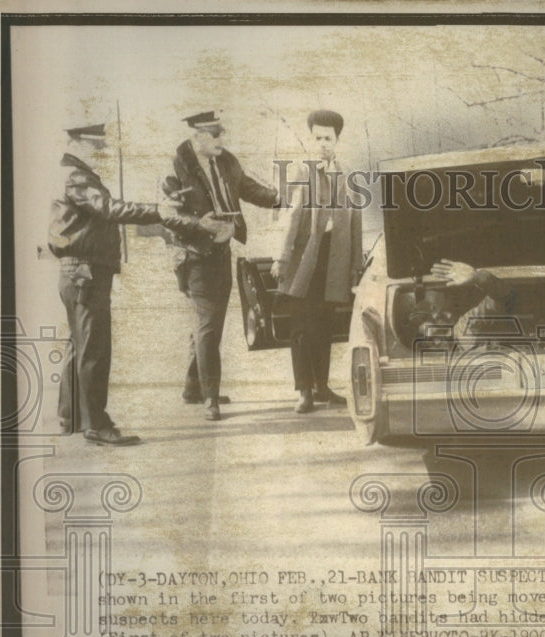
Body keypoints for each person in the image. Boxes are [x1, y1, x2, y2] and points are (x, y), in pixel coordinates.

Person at [48, 122, 221, 445]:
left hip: (78, 273)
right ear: (80, 143)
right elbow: (110, 209)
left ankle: (70, 415)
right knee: (95, 349)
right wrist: (158, 211)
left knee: (80, 345)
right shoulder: (78, 177)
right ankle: (97, 425)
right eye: (98, 146)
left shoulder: (73, 174)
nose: (102, 152)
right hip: (86, 273)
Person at [162, 111, 279, 421]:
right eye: (214, 135)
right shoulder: (176, 167)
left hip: (221, 256)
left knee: (207, 327)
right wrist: (201, 226)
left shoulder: (226, 162)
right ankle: (210, 398)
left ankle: (193, 387)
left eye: (221, 133)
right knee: (207, 327)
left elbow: (250, 189)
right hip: (194, 257)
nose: (220, 140)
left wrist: (282, 199)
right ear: (196, 137)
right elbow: (168, 217)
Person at [271, 109, 362, 413]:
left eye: (328, 138)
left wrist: (354, 268)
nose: (322, 143)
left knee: (324, 324)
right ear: (310, 140)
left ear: (337, 141)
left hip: (332, 261)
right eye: (317, 138)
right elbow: (291, 219)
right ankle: (304, 390)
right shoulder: (301, 172)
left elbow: (355, 224)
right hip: (303, 263)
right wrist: (282, 259)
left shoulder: (347, 177)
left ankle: (322, 387)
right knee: (302, 325)